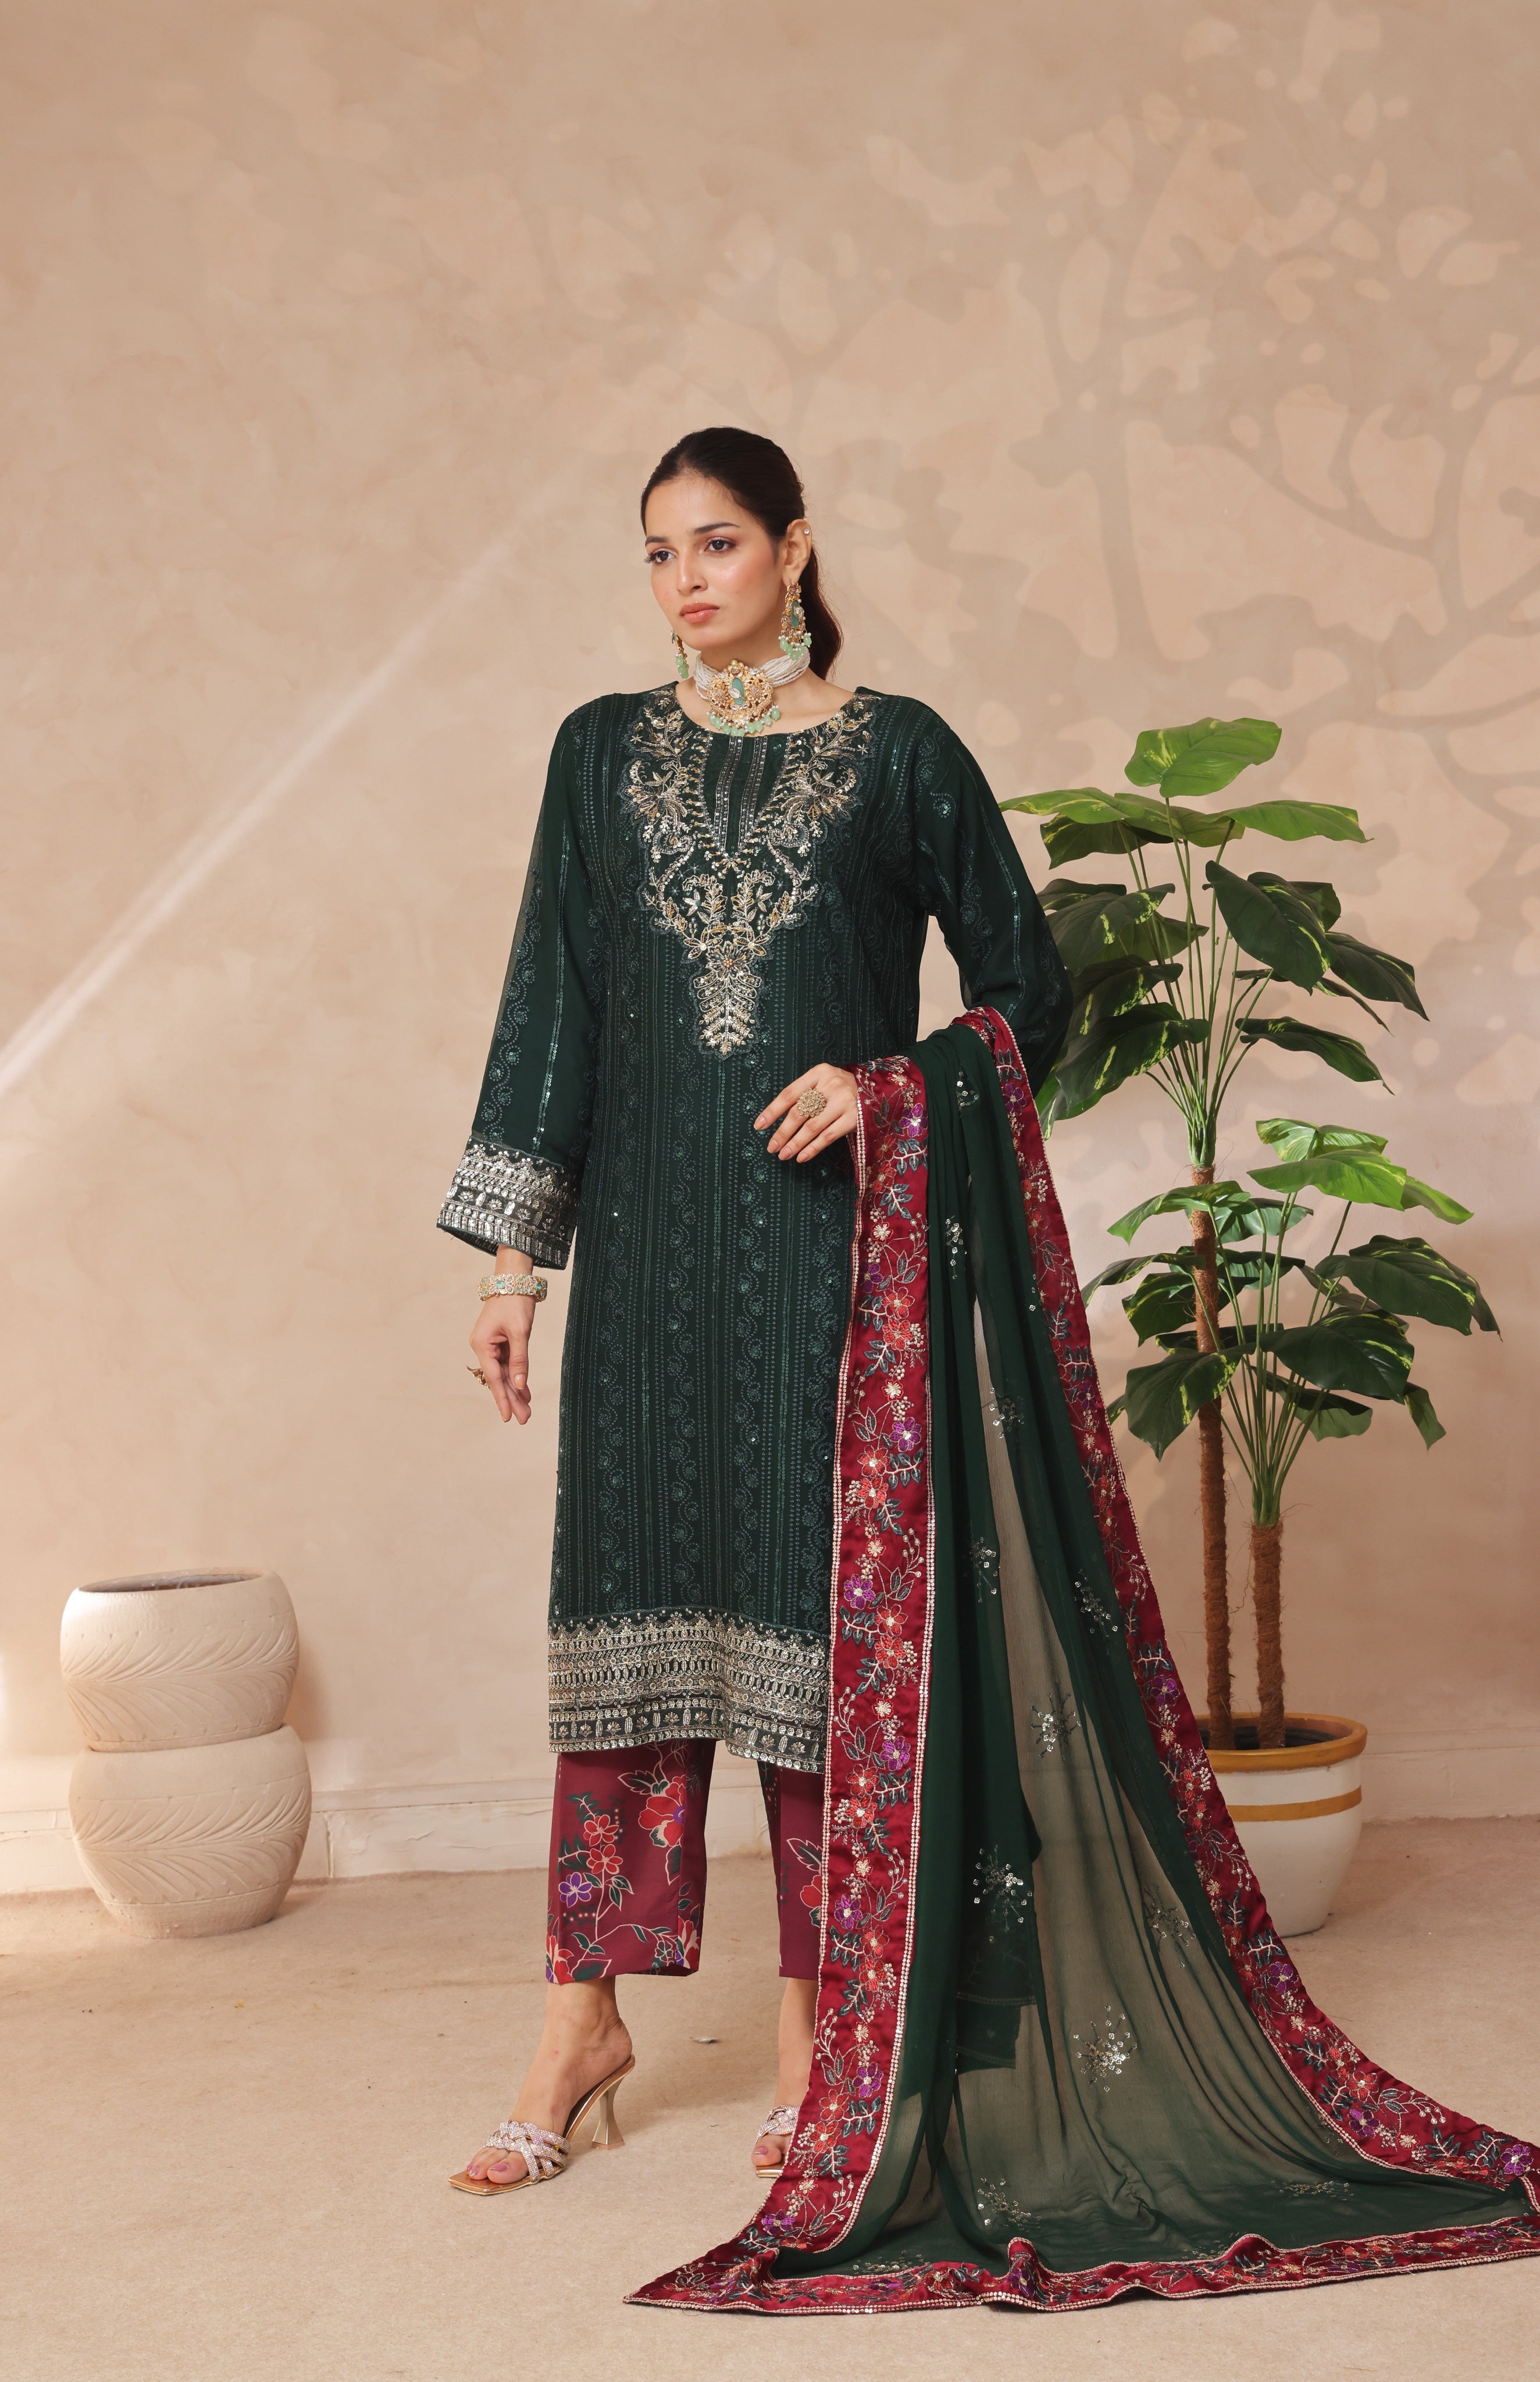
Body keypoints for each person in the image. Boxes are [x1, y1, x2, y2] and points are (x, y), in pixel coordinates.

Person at [437, 426, 1070, 2194]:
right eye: (654, 553)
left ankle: (818, 2024)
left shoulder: (899, 756)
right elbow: (548, 1011)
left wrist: (894, 1087)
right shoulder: (595, 755)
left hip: (824, 1262)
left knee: (809, 1645)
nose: (684, 580)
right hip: (644, 1266)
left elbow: (1032, 991)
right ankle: (583, 2014)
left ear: (794, 551)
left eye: (715, 543)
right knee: (624, 1625)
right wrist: (515, 1266)